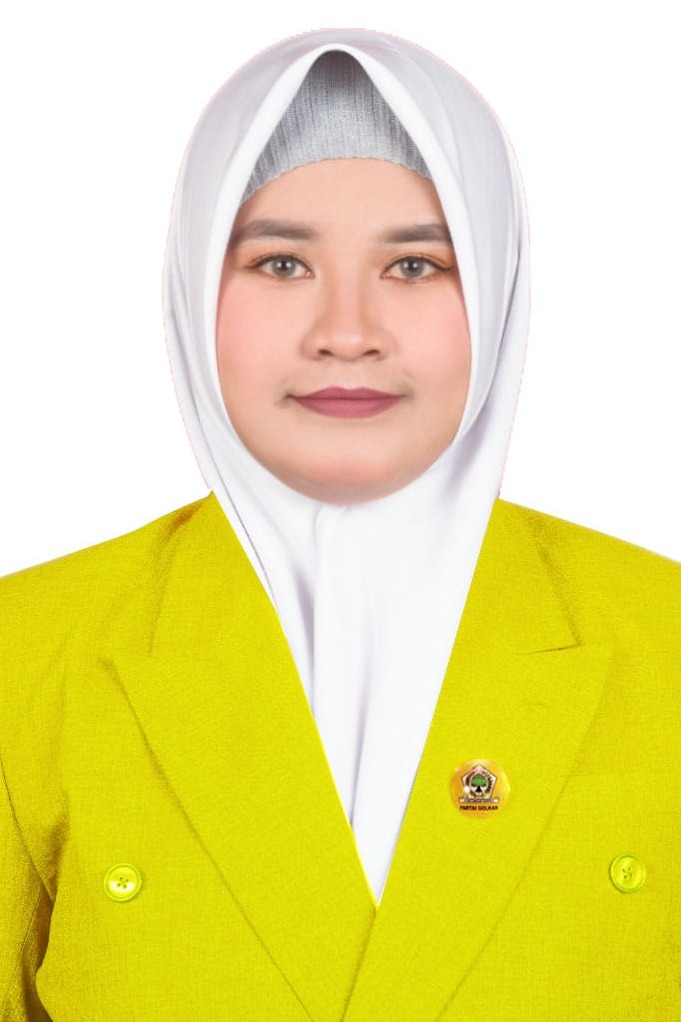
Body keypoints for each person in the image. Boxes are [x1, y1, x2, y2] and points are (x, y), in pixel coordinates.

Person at [1, 26, 680, 1021]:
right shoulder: (26, 651)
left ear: (498, 284)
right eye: (281, 263)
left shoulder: (665, 639)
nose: (347, 332)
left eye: (415, 266)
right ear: (191, 285)